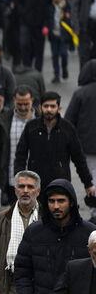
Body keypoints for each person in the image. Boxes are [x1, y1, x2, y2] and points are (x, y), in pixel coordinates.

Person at [15, 91, 96, 198]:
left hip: (61, 183)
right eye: (46, 106)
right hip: (36, 184)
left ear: (59, 108)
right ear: (40, 107)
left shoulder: (67, 128)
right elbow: (20, 155)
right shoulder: (31, 127)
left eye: (52, 106)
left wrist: (88, 183)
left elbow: (78, 158)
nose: (49, 109)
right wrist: (20, 179)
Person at [0, 171, 41, 294]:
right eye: (21, 186)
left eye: (30, 187)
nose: (25, 190)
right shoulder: (1, 219)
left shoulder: (47, 218)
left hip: (40, 292)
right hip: (12, 292)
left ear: (38, 191)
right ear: (15, 190)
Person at [0, 85, 36, 204]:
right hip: (13, 181)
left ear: (32, 100)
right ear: (14, 101)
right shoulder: (5, 120)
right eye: (19, 104)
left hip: (37, 179)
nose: (23, 107)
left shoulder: (40, 120)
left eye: (26, 104)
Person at [65, 60, 96, 218]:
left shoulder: (80, 93)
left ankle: (94, 210)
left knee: (91, 179)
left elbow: (69, 120)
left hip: (87, 146)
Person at [73, 0, 96, 67]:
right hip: (85, 26)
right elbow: (75, 7)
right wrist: (76, 26)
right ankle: (84, 77)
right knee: (84, 56)